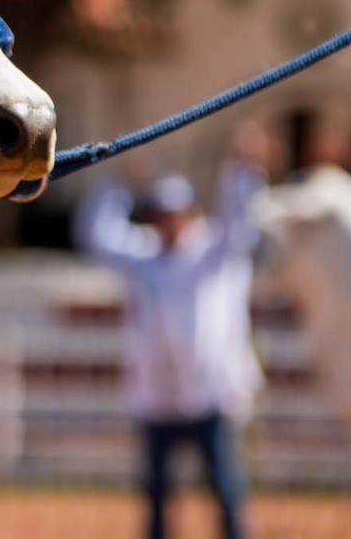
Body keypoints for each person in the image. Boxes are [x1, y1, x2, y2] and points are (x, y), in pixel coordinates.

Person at [74, 124, 271, 539]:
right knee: (158, 496)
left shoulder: (215, 251)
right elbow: (94, 232)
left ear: (190, 214)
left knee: (226, 489)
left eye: (173, 215)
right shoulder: (141, 253)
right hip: (156, 397)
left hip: (211, 395)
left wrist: (243, 167)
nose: (167, 224)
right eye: (159, 215)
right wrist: (118, 182)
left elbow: (242, 219)